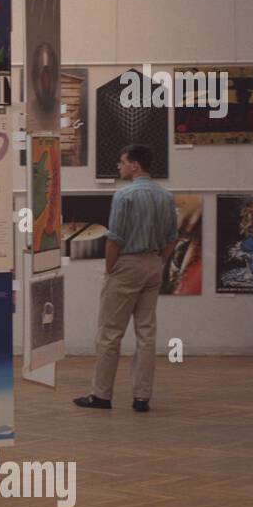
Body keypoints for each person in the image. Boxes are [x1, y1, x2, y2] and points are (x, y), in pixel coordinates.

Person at [74, 143, 177, 413]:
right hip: (153, 264)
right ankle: (142, 397)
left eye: (122, 162)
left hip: (127, 265)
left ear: (135, 166)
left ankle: (101, 395)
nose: (119, 167)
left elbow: (114, 239)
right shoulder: (166, 197)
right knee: (146, 333)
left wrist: (111, 269)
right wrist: (158, 261)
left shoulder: (124, 195)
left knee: (110, 333)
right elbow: (171, 239)